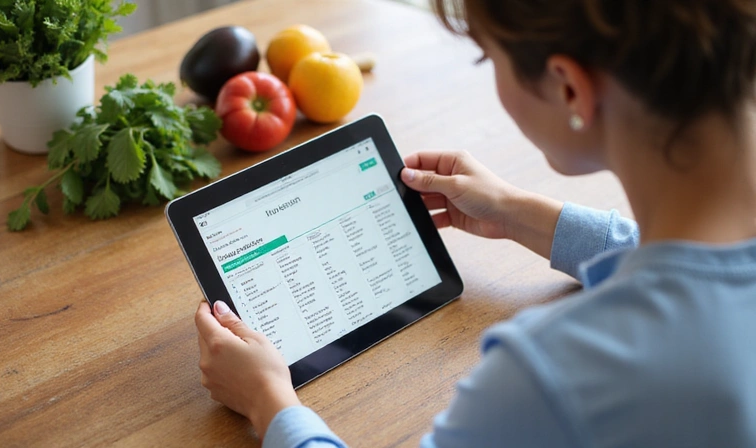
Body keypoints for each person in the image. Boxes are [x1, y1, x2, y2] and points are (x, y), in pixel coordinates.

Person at [194, 0, 756, 446]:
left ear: (569, 87)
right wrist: (519, 212)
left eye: (491, 60)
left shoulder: (551, 374)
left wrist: (270, 400)